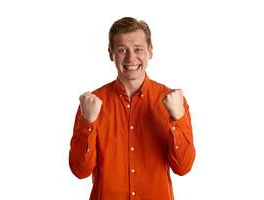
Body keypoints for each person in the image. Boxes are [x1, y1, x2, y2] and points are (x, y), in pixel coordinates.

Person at [69, 17, 195, 200]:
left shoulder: (174, 101)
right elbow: (80, 171)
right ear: (111, 53)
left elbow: (183, 168)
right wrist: (88, 122)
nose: (131, 58)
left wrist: (177, 118)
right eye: (122, 50)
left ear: (150, 51)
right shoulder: (92, 104)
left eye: (138, 49)